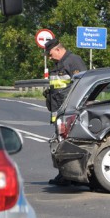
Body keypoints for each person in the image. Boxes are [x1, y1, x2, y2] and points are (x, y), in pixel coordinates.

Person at [43, 38, 87, 186]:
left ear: (58, 49)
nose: (49, 58)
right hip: (58, 111)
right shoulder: (58, 64)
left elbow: (82, 85)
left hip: (69, 110)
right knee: (59, 144)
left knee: (68, 144)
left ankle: (72, 175)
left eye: (50, 54)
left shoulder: (73, 61)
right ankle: (64, 174)